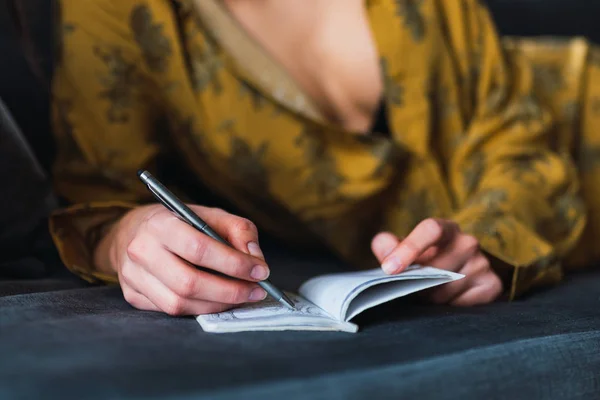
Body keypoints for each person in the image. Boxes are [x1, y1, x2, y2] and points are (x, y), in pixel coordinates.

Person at [40, 0, 600, 316]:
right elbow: (98, 199)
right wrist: (132, 237)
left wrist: (488, 240)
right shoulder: (116, 13)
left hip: (579, 109)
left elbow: (514, 134)